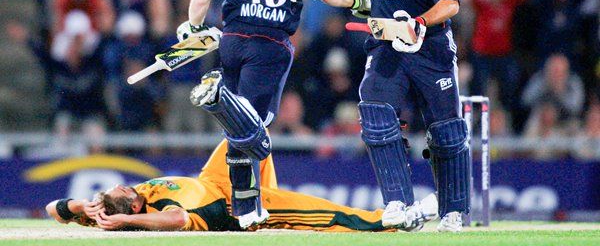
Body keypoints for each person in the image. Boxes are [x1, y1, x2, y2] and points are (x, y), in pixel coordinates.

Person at [289, 0, 466, 232]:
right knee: (374, 111)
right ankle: (397, 203)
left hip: (428, 47)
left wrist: (419, 22)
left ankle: (453, 211)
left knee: (446, 132)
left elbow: (451, 3)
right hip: (387, 43)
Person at [174, 0, 319, 229]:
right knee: (251, 127)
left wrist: (192, 27)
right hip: (269, 44)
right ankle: (247, 207)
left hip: (233, 41)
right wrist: (359, 3)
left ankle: (245, 206)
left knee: (240, 127)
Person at [46, 140, 438, 232]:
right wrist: (130, 225)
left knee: (249, 133)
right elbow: (179, 218)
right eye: (123, 194)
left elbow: (52, 209)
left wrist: (83, 208)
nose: (125, 187)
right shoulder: (153, 215)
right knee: (325, 213)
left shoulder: (126, 203)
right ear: (132, 209)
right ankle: (392, 222)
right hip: (239, 205)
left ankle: (270, 218)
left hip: (213, 179)